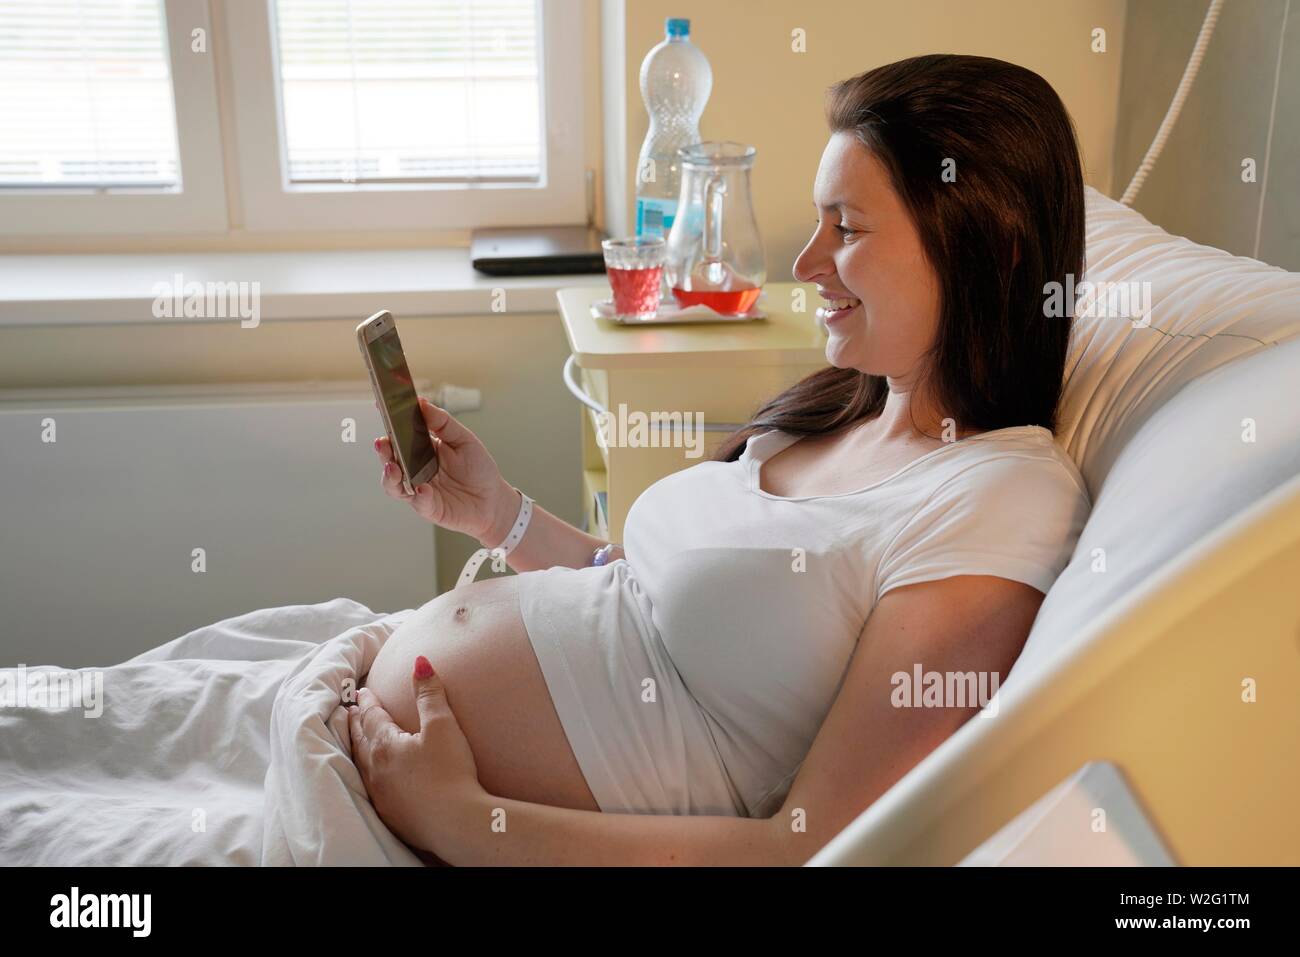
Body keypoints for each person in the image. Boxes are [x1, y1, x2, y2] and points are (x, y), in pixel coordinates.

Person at [349, 53, 1092, 866]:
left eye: (847, 228)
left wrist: (463, 820)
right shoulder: (836, 407)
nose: (806, 263)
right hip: (392, 778)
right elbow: (640, 596)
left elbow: (813, 845)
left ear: (991, 247)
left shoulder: (1000, 497)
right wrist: (496, 513)